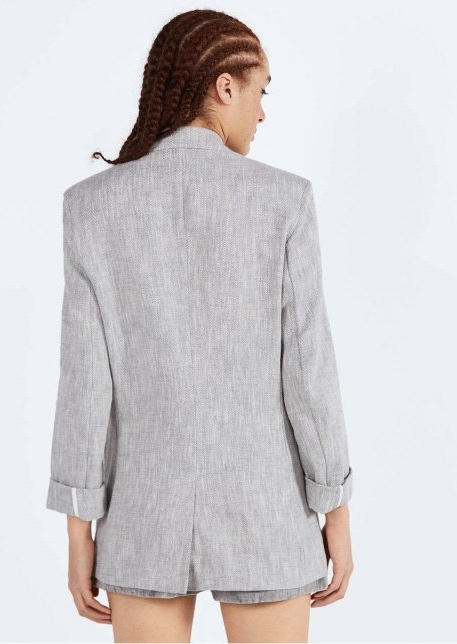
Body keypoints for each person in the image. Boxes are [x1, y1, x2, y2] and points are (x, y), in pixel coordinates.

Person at [46, 8, 354, 643]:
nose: (262, 113)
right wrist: (336, 511)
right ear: (225, 86)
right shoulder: (285, 200)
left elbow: (85, 388)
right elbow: (309, 375)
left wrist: (79, 532)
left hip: (143, 517)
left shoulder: (92, 208)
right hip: (268, 512)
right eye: (260, 91)